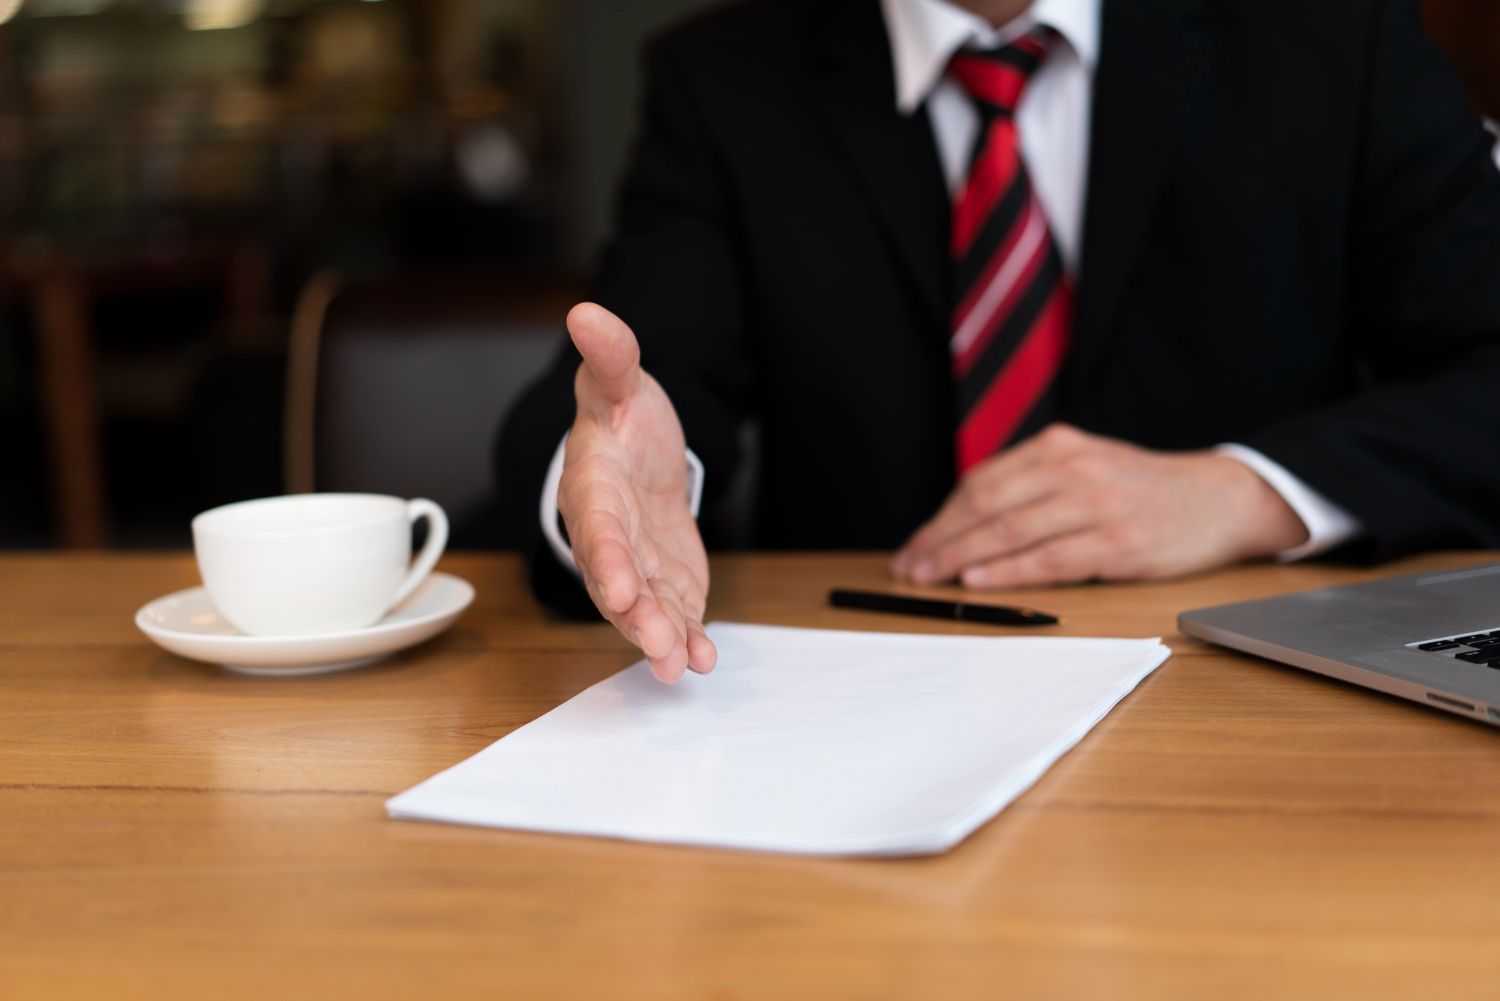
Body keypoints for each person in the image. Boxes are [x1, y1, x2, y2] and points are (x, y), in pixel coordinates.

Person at [497, 0, 1500, 683]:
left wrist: (1249, 492)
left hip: (1241, 699)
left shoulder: (1333, 35)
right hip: (863, 702)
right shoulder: (724, 79)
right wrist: (602, 487)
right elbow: (621, 390)